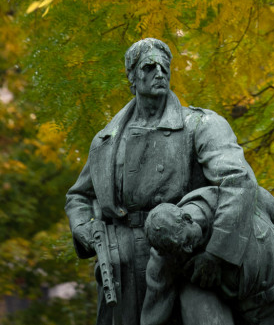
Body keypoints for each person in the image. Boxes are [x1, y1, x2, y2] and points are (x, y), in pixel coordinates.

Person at [65, 38, 259, 325]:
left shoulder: (200, 125)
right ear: (132, 78)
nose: (159, 72)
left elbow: (238, 182)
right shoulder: (106, 141)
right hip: (123, 263)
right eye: (149, 67)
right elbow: (79, 196)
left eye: (164, 67)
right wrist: (83, 228)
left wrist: (218, 254)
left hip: (181, 254)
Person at [141, 186, 274, 325]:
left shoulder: (250, 198)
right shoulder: (166, 257)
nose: (187, 251)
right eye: (179, 250)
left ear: (187, 218)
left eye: (186, 242)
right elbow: (153, 316)